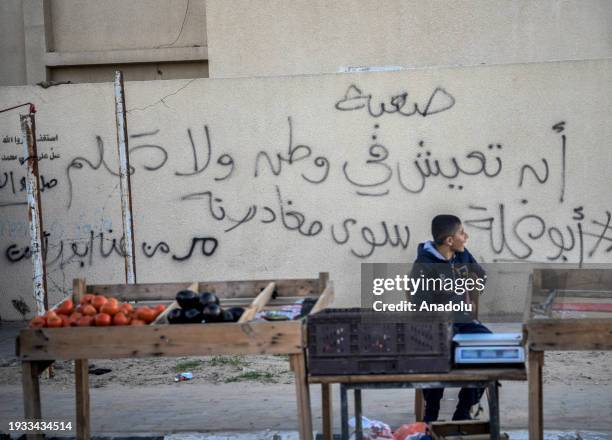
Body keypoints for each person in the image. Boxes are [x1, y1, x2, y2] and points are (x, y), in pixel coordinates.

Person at [411, 214, 491, 422]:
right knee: (438, 355)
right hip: (435, 326)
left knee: (490, 350)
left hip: (462, 321)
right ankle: (432, 410)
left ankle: (463, 412)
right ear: (449, 240)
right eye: (461, 233)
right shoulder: (423, 265)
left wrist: (472, 292)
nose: (466, 236)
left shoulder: (461, 255)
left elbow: (480, 277)